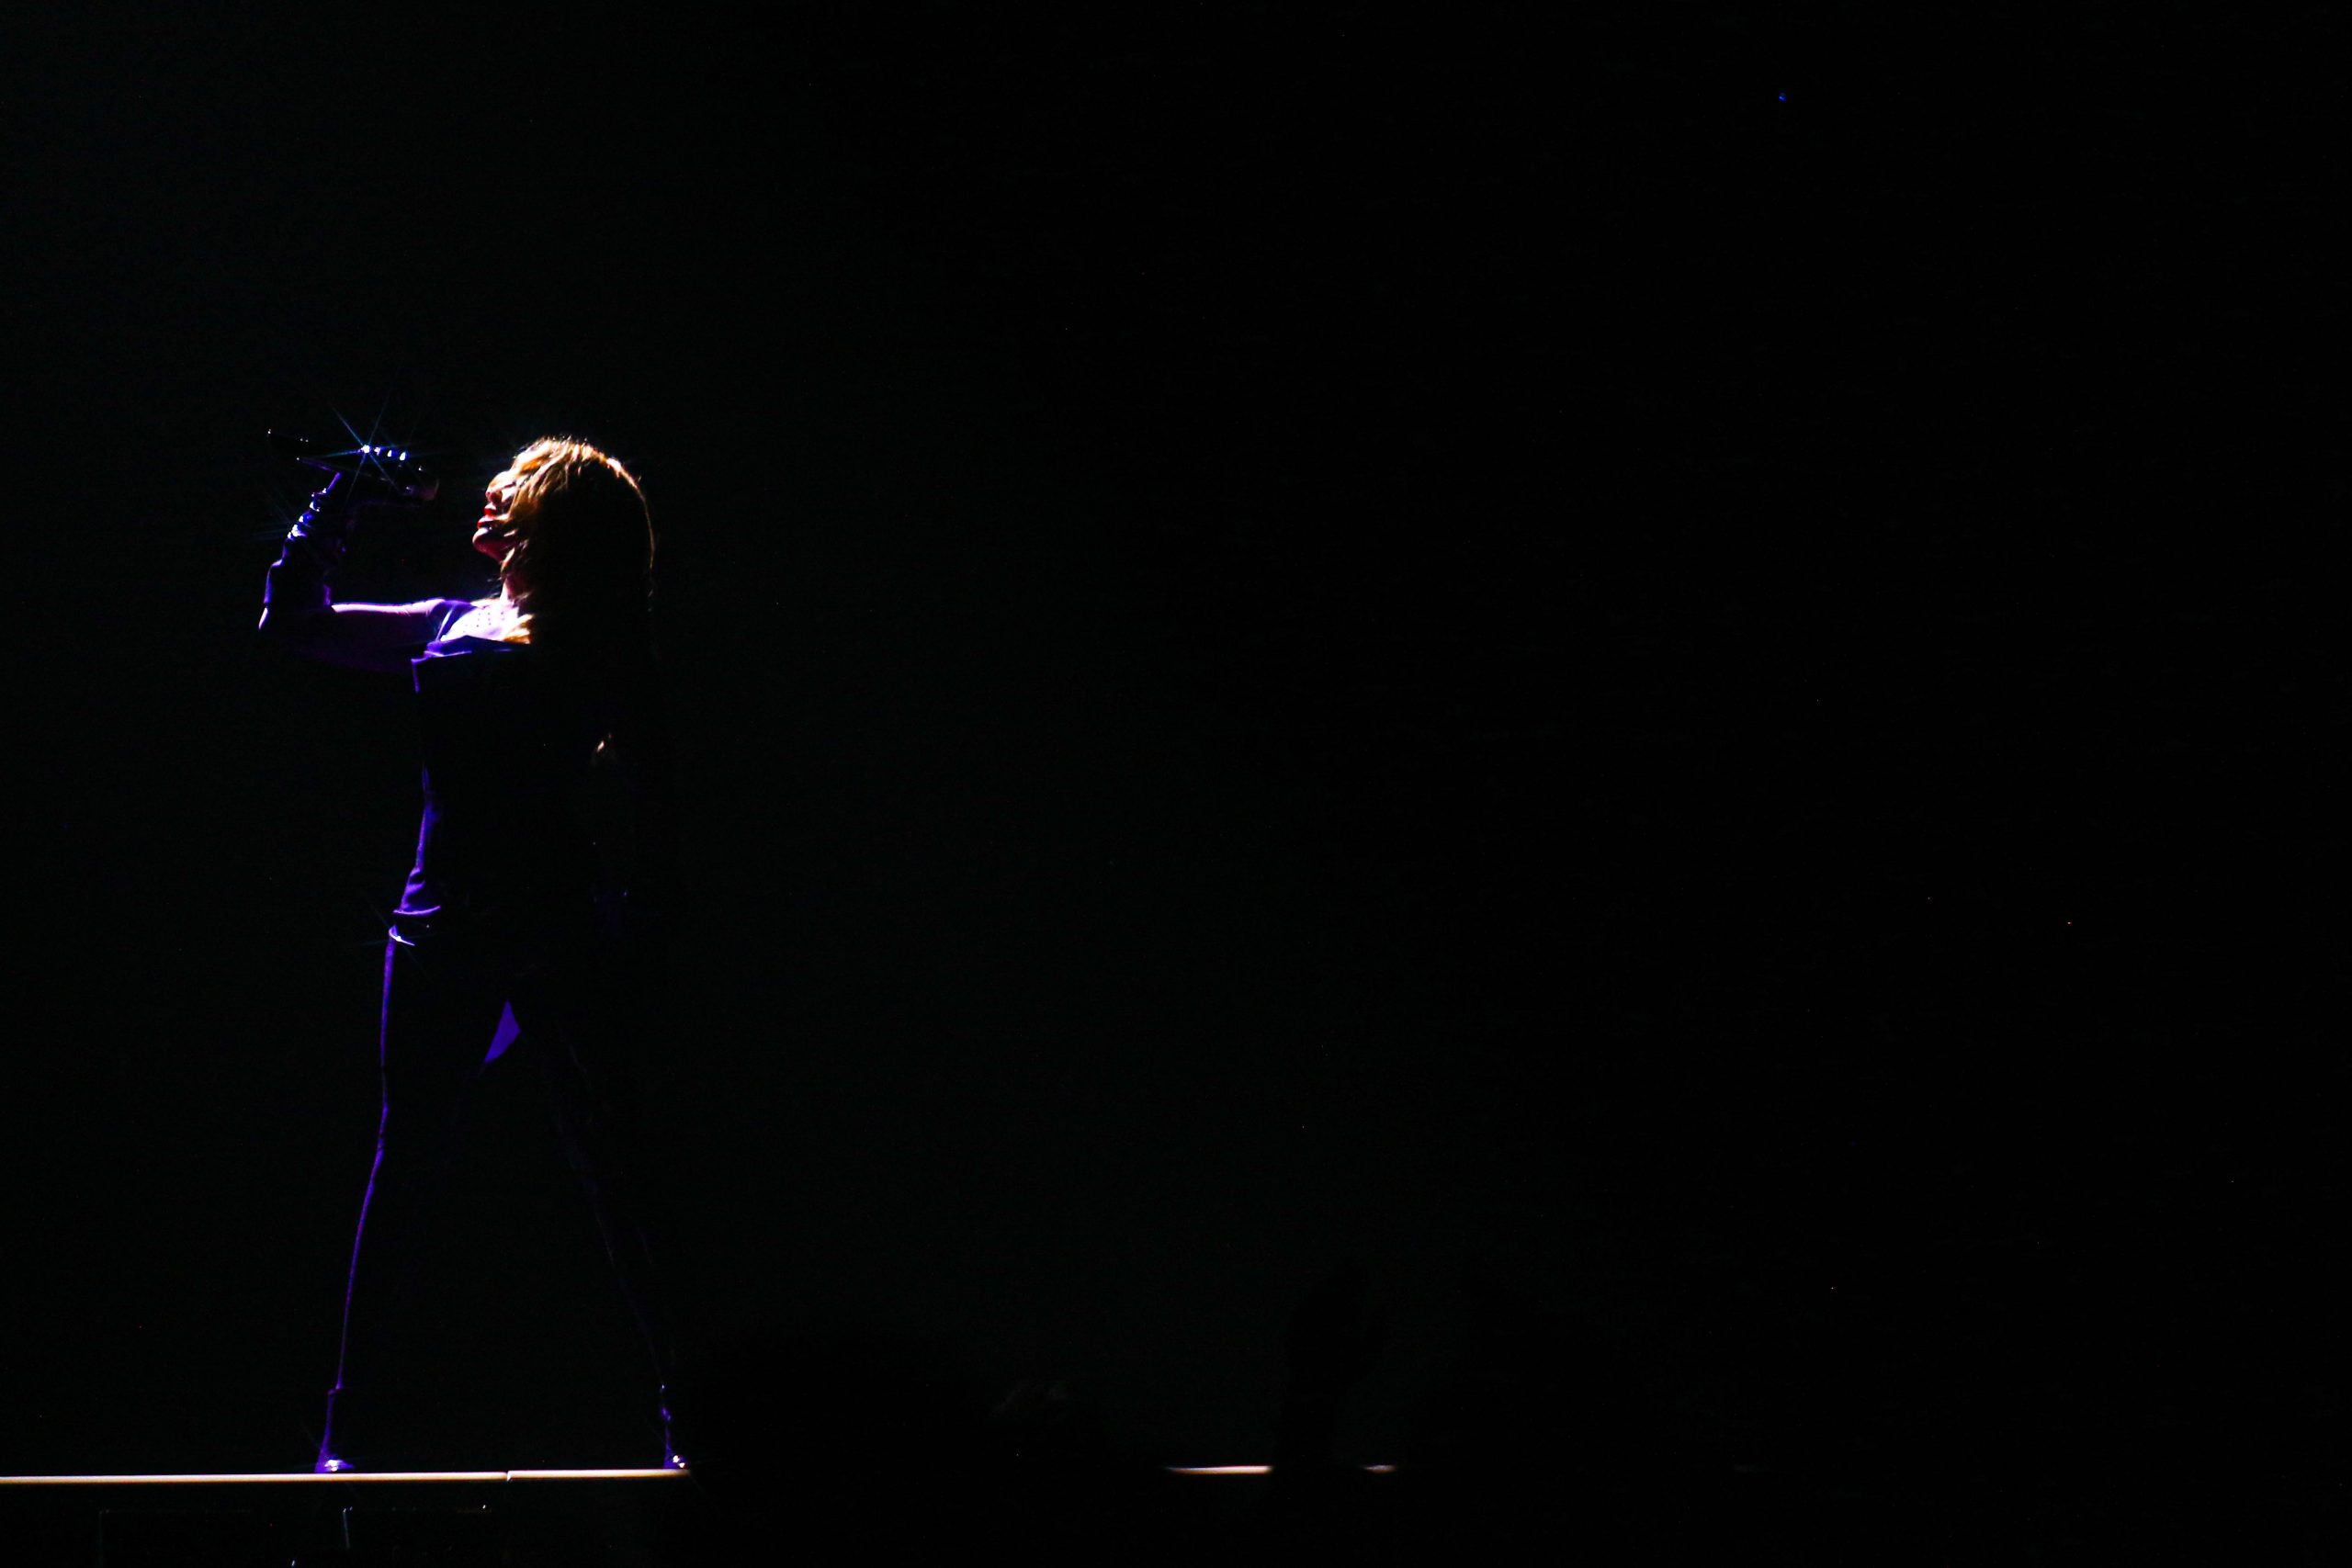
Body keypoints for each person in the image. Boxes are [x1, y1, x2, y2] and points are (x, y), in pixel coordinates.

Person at [259, 436, 685, 1472]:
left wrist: (628, 921)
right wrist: (336, 500)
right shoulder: (455, 622)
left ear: (555, 529)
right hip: (444, 922)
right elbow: (295, 623)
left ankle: (691, 1409)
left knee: (614, 1168)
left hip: (550, 920)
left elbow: (661, 798)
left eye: (517, 494)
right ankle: (348, 1433)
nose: (490, 500)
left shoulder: (599, 643)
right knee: (408, 1162)